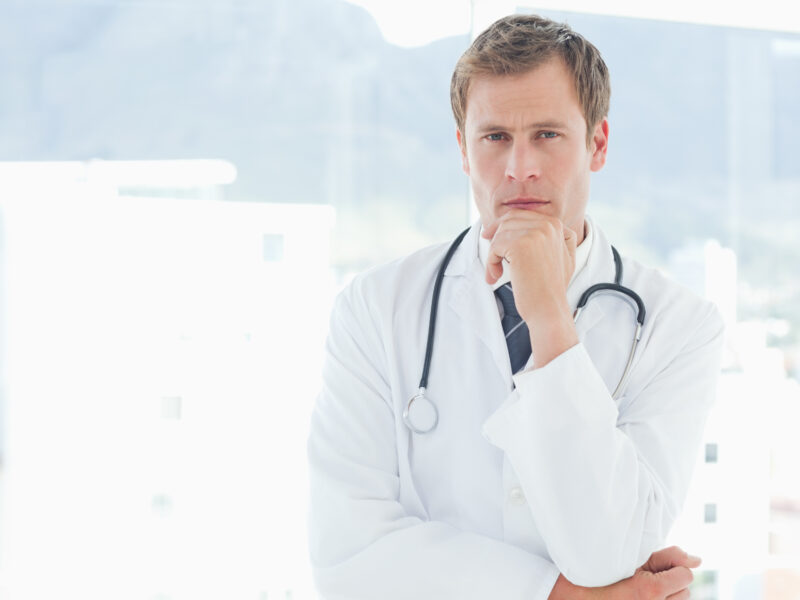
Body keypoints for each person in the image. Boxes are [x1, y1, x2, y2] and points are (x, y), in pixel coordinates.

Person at [308, 13, 724, 600]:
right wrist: (562, 595)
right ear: (463, 149)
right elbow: (347, 555)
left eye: (548, 135)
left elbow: (608, 549)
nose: (518, 167)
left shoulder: (679, 325)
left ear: (597, 144)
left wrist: (550, 320)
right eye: (495, 136)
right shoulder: (374, 309)